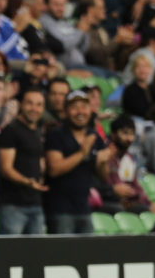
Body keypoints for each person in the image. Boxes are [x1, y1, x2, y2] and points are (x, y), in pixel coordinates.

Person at [43, 89, 110, 233]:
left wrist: (103, 162)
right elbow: (54, 169)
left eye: (84, 107)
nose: (80, 112)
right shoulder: (56, 135)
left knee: (87, 254)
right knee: (63, 254)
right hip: (60, 210)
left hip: (84, 208)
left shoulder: (94, 137)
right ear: (66, 111)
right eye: (74, 107)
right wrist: (82, 153)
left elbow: (103, 176)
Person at [0, 87, 49, 234]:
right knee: (11, 254)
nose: (34, 108)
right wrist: (28, 182)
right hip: (13, 205)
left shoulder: (37, 131)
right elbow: (6, 169)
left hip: (35, 203)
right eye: (30, 103)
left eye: (39, 105)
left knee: (36, 255)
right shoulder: (11, 130)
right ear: (21, 105)